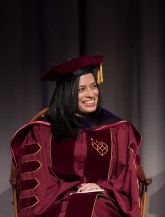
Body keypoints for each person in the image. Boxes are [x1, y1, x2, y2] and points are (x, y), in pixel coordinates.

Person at [11, 55, 143, 217]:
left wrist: (103, 188)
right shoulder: (42, 132)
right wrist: (68, 192)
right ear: (66, 93)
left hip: (105, 200)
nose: (91, 94)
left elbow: (126, 178)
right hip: (58, 203)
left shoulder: (118, 129)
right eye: (81, 89)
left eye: (93, 86)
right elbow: (37, 186)